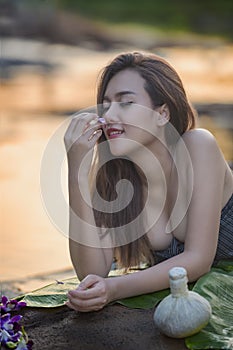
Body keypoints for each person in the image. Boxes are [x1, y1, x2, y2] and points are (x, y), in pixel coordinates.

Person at [64, 51, 233, 312]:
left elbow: (198, 260)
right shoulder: (117, 179)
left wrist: (113, 289)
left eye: (126, 102)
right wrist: (76, 167)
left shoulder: (198, 146)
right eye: (106, 104)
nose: (108, 116)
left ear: (162, 113)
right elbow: (91, 271)